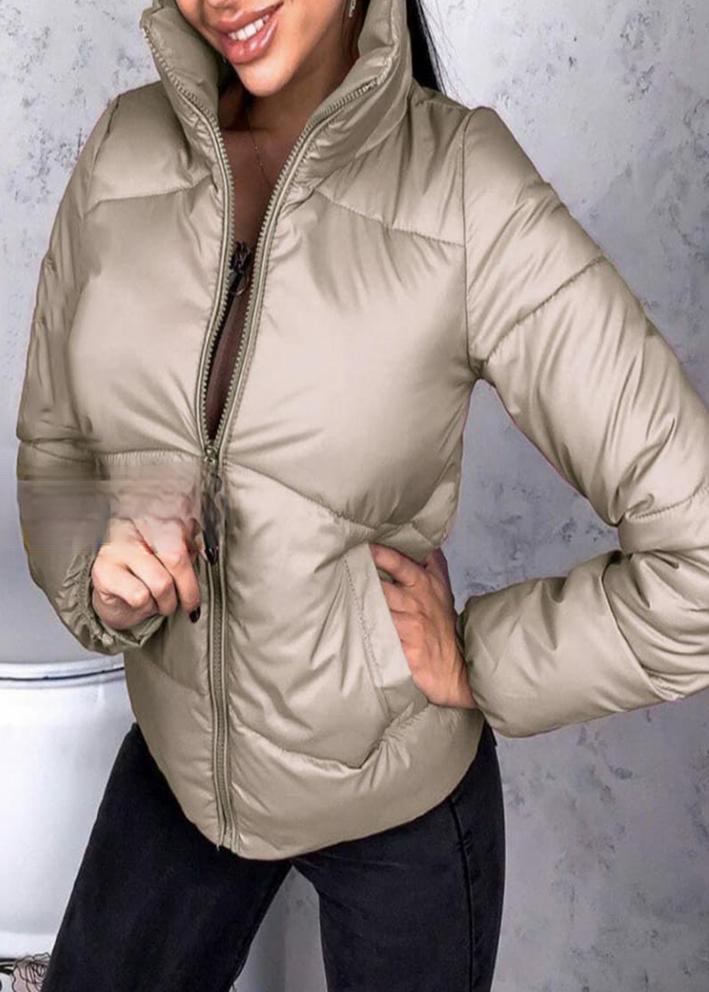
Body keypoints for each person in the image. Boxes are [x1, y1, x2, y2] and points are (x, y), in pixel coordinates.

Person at [14, 0, 708, 989]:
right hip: (181, 769)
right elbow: (51, 447)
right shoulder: (124, 149)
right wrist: (99, 567)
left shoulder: (463, 188)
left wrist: (482, 659)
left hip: (398, 807)